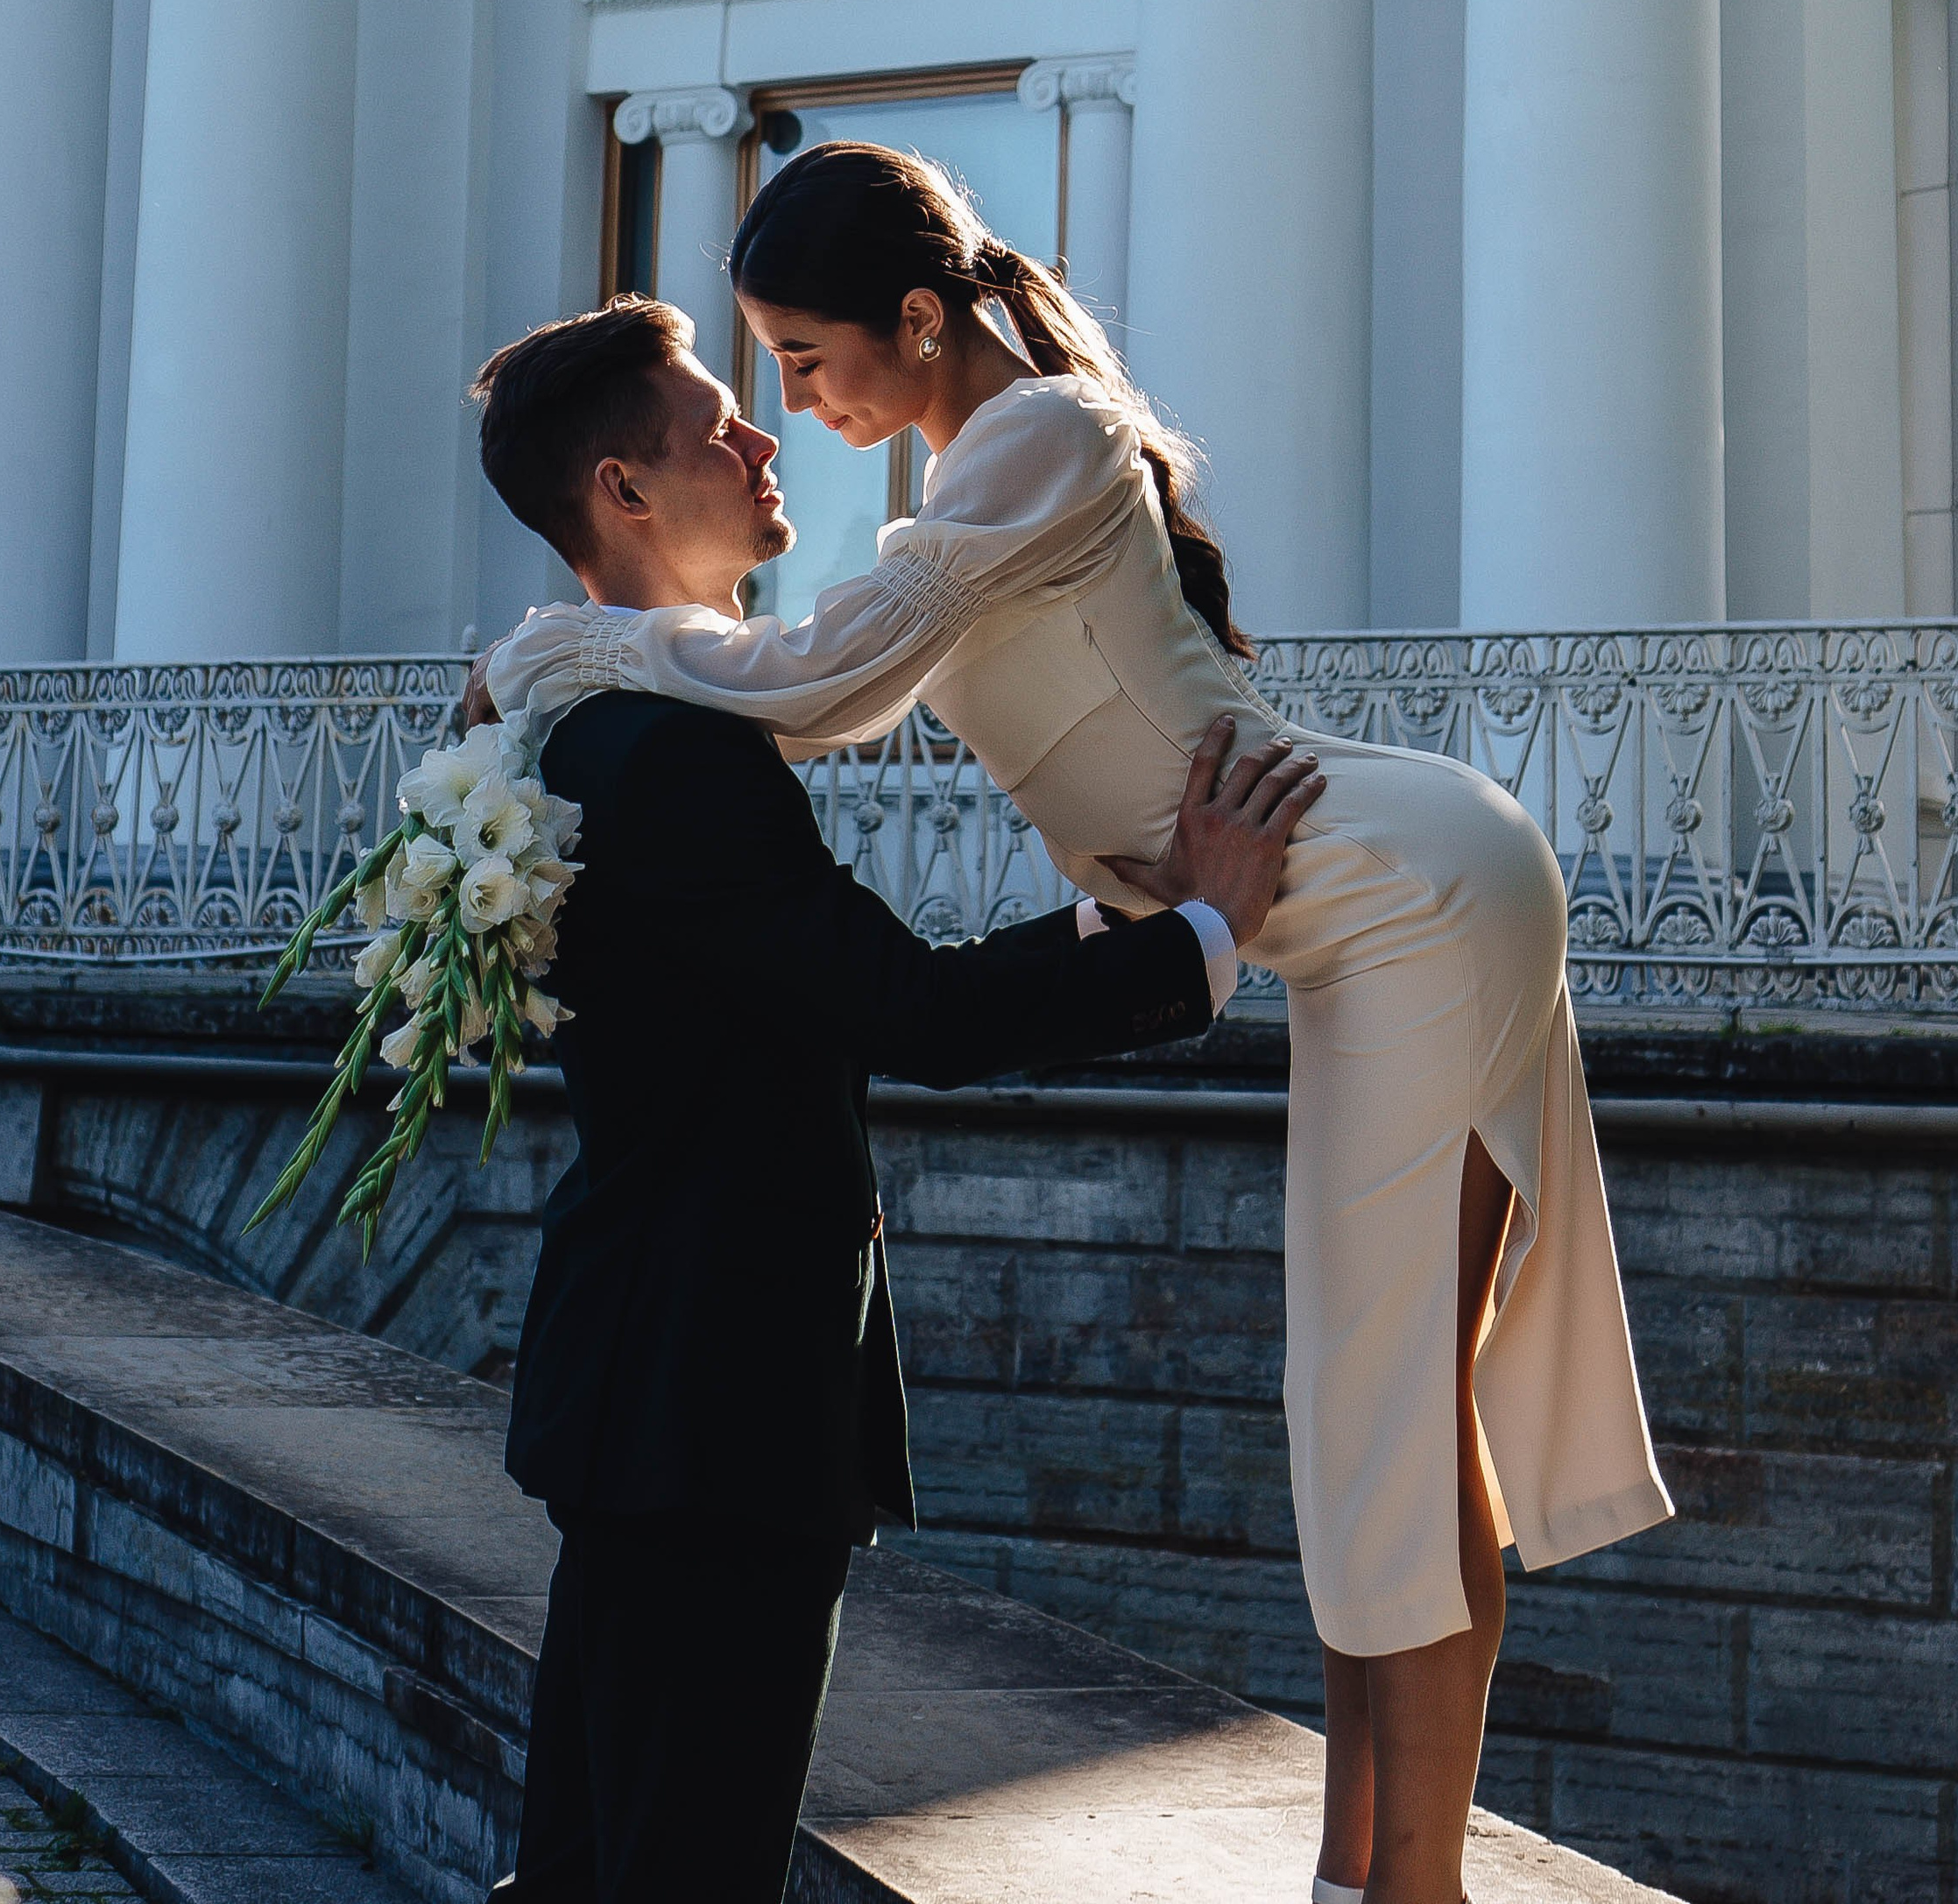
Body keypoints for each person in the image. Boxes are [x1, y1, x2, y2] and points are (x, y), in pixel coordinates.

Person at [484, 145, 1674, 1904]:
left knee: (1393, 1420)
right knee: (1348, 1413)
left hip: (1406, 894)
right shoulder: (976, 473)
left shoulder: (1034, 432)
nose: (789, 409)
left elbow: (809, 685)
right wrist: (591, 656)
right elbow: (837, 707)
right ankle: (1360, 1873)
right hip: (1336, 919)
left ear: (913, 315)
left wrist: (570, 654)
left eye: (802, 360)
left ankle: (1400, 1889)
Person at [471, 294, 1324, 1904]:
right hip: (716, 1406)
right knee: (680, 1870)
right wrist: (1205, 936)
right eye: (720, 421)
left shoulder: (578, 730)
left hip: (649, 1385)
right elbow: (906, 1007)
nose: (762, 435)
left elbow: (808, 988)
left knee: (595, 1863)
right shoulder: (674, 755)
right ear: (625, 494)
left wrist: (1128, 923)